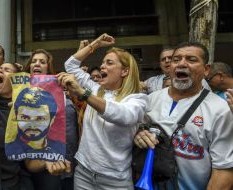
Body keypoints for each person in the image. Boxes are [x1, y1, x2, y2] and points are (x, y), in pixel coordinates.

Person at [134, 42, 233, 190]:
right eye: (176, 60)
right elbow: (130, 133)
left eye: (191, 60)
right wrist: (138, 134)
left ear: (206, 70)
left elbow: (224, 169)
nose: (181, 64)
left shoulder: (220, 109)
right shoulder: (150, 99)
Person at [61, 33, 148, 190]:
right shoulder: (95, 89)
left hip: (115, 180)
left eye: (109, 63)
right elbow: (71, 65)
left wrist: (83, 94)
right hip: (84, 172)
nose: (102, 66)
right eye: (102, 63)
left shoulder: (137, 99)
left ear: (125, 72)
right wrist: (96, 44)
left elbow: (123, 115)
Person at [23, 49, 77, 190]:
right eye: (34, 61)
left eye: (42, 62)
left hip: (62, 161)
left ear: (49, 68)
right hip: (35, 162)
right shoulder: (21, 92)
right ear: (29, 66)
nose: (37, 64)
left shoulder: (61, 91)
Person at [144, 47, 210, 94]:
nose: (167, 61)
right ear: (160, 64)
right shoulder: (151, 81)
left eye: (170, 58)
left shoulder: (198, 80)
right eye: (163, 59)